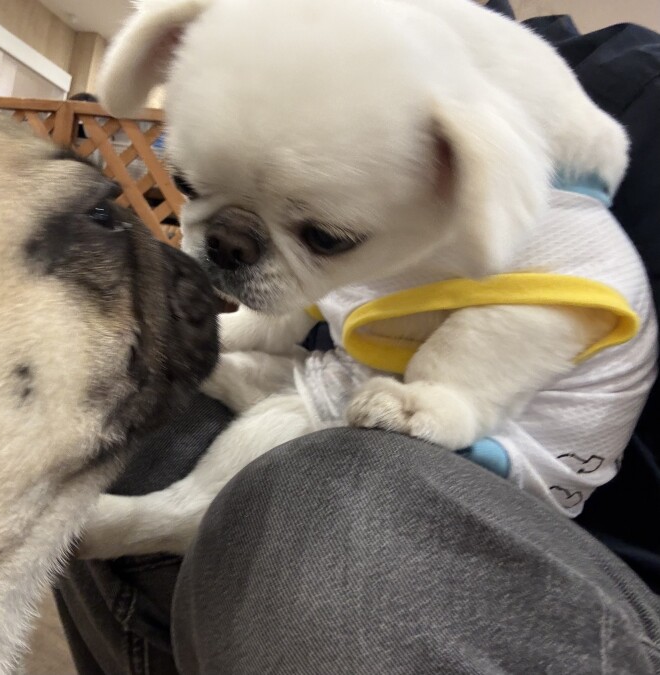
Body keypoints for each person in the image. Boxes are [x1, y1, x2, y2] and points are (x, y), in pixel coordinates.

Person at [53, 4, 660, 672]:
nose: (224, 242)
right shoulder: (340, 111)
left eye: (323, 234)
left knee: (330, 484)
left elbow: (543, 311)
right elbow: (314, 301)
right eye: (190, 184)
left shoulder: (544, 202)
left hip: (503, 470)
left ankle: (172, 518)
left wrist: (451, 392)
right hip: (354, 387)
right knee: (112, 382)